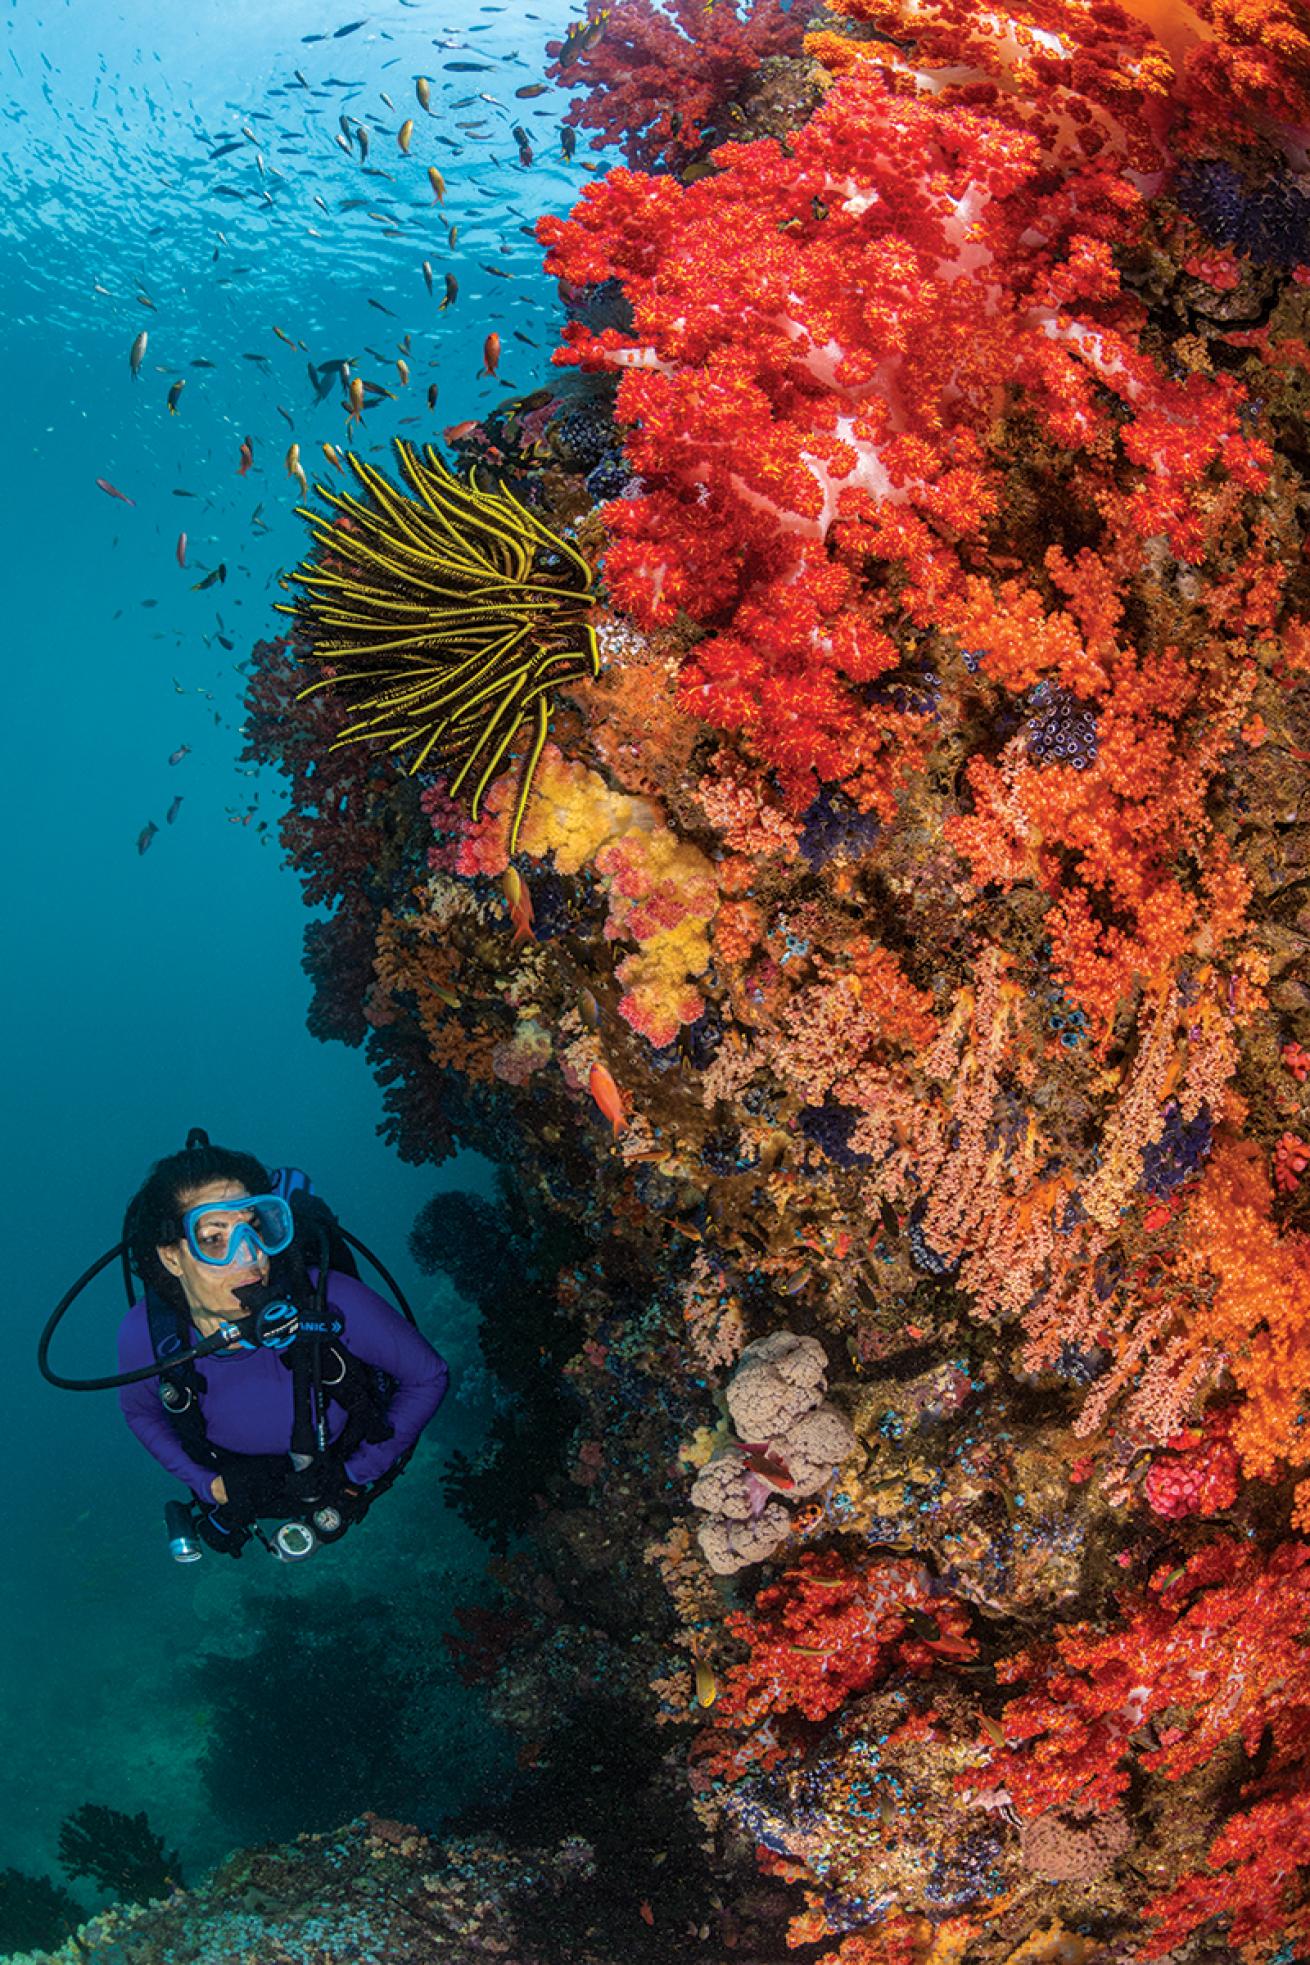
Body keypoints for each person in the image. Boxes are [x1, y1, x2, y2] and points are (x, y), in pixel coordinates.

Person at [116, 1138, 448, 1554]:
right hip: (233, 1485)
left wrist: (355, 1472)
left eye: (254, 1230)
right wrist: (209, 1486)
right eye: (214, 1238)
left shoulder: (330, 1301)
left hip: (338, 1463)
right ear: (171, 1257)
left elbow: (428, 1375)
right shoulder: (146, 1335)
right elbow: (140, 1411)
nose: (249, 1257)